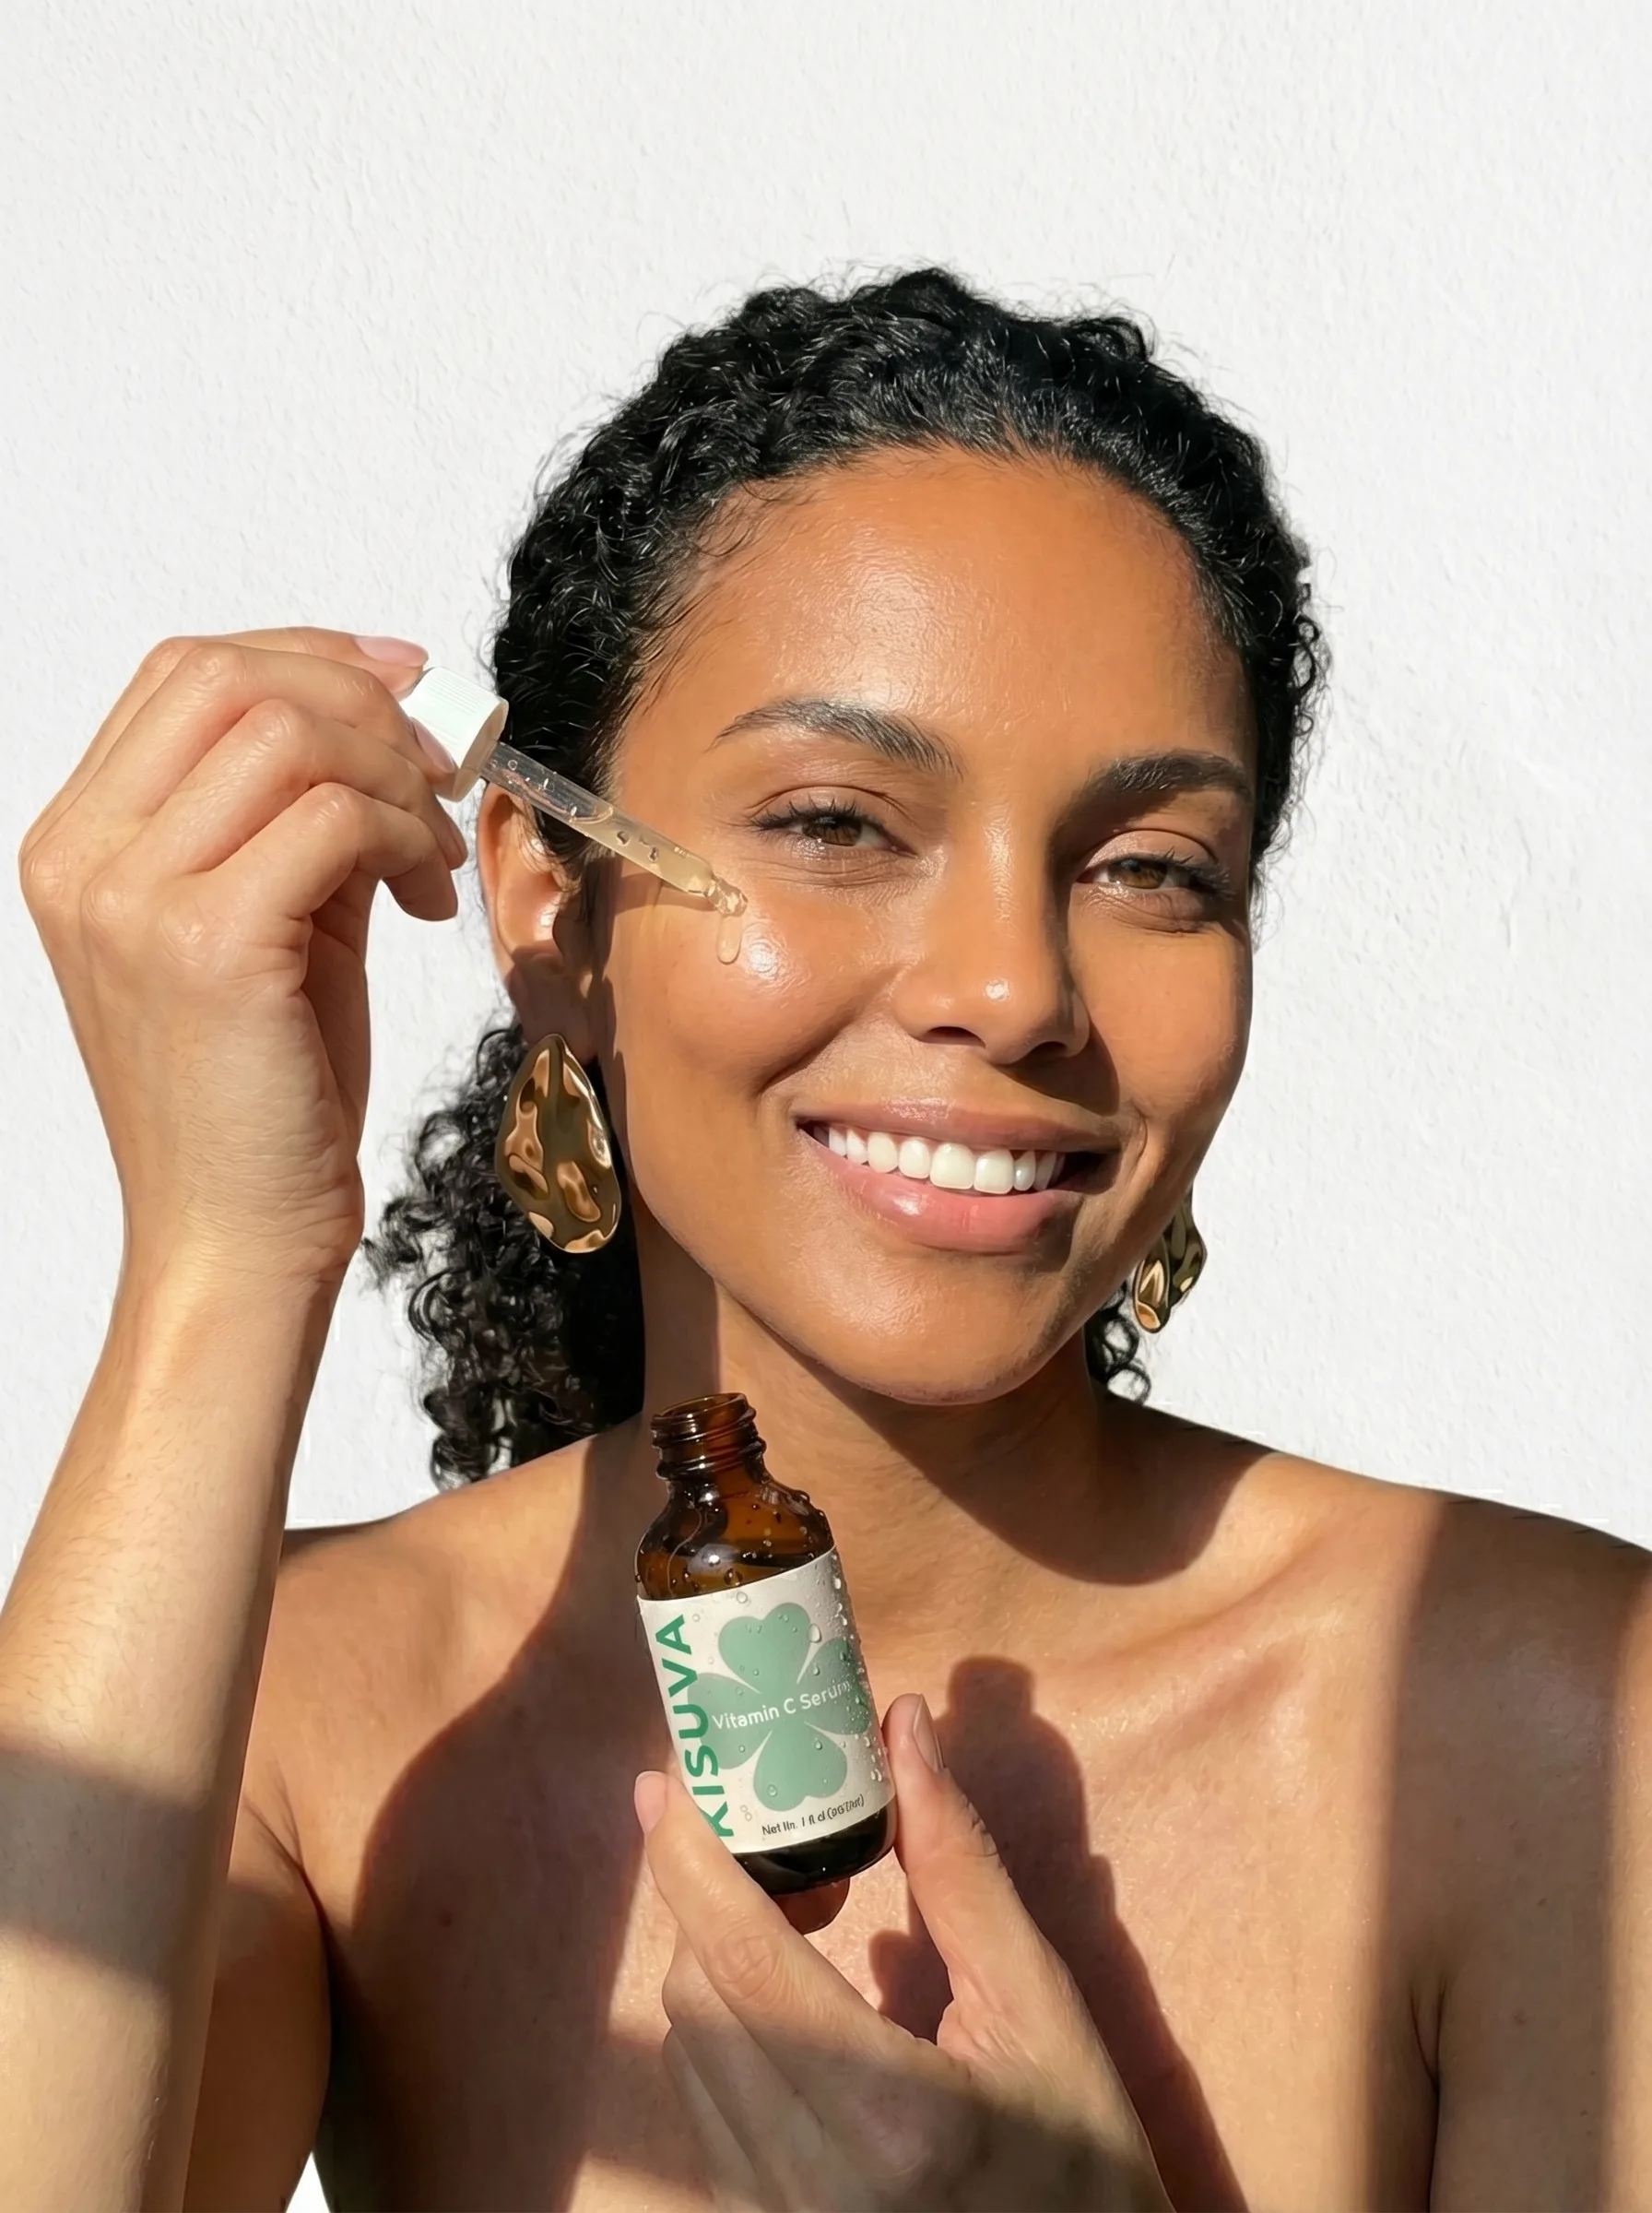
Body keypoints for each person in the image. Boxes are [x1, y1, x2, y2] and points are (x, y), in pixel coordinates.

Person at [4, 267, 1648, 2213]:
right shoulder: (293, 1707)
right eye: (836, 824)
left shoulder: (1551, 1726)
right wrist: (221, 1256)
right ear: (550, 909)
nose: (1010, 985)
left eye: (1147, 867)